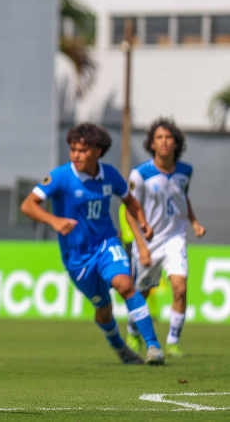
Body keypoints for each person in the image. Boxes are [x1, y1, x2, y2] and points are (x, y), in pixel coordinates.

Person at [20, 123, 164, 365]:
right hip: (77, 259)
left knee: (125, 284)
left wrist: (142, 222)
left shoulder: (110, 175)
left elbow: (130, 200)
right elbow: (28, 205)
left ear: (97, 151)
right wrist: (54, 221)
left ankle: (153, 346)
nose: (76, 155)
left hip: (106, 244)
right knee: (104, 310)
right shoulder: (60, 176)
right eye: (73, 149)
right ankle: (120, 347)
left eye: (82, 150)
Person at [125, 117, 205, 358]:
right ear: (151, 143)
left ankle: (172, 342)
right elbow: (130, 209)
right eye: (159, 137)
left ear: (176, 143)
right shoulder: (140, 174)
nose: (164, 141)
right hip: (149, 243)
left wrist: (194, 222)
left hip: (175, 239)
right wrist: (141, 243)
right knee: (142, 293)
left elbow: (182, 199)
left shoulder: (185, 171)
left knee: (180, 288)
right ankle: (132, 331)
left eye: (168, 137)